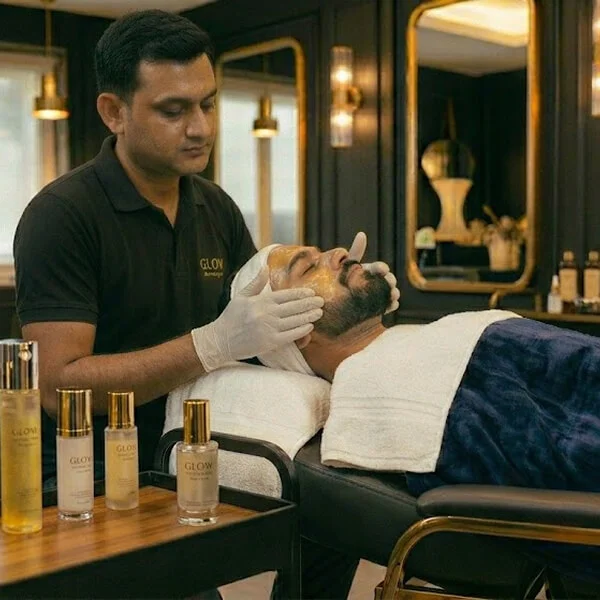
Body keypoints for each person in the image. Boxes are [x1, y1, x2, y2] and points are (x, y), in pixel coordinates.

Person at [13, 10, 399, 599]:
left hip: (194, 451)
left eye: (209, 104)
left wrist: (357, 303)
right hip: (90, 476)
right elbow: (57, 388)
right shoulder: (63, 217)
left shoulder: (214, 209)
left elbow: (260, 340)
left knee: (335, 519)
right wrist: (209, 344)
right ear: (114, 112)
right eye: (174, 110)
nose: (200, 128)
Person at [230, 242, 600, 586]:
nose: (339, 252)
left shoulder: (429, 341)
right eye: (309, 268)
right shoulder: (382, 389)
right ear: (293, 331)